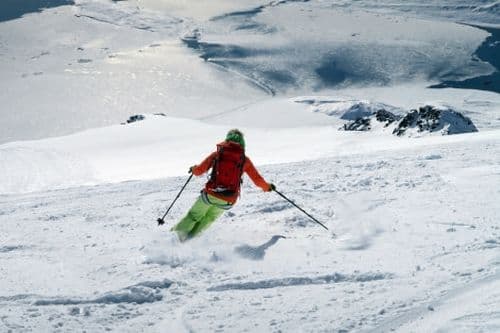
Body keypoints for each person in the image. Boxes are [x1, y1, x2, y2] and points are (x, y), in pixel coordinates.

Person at [172, 129, 275, 242]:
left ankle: (174, 239)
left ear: (227, 140)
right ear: (242, 143)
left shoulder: (217, 154)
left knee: (194, 216)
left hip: (211, 194)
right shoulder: (244, 160)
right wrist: (268, 187)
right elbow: (257, 179)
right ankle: (189, 241)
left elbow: (199, 171)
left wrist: (193, 169)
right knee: (208, 219)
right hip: (228, 200)